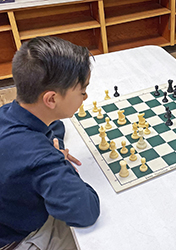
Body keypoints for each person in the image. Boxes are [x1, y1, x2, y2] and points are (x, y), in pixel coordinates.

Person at [0, 36, 100, 250]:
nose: (86, 96)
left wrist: (52, 144)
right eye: (82, 91)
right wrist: (59, 160)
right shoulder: (41, 159)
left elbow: (55, 127)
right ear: (51, 99)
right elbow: (86, 211)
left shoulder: (8, 112)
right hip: (13, 239)